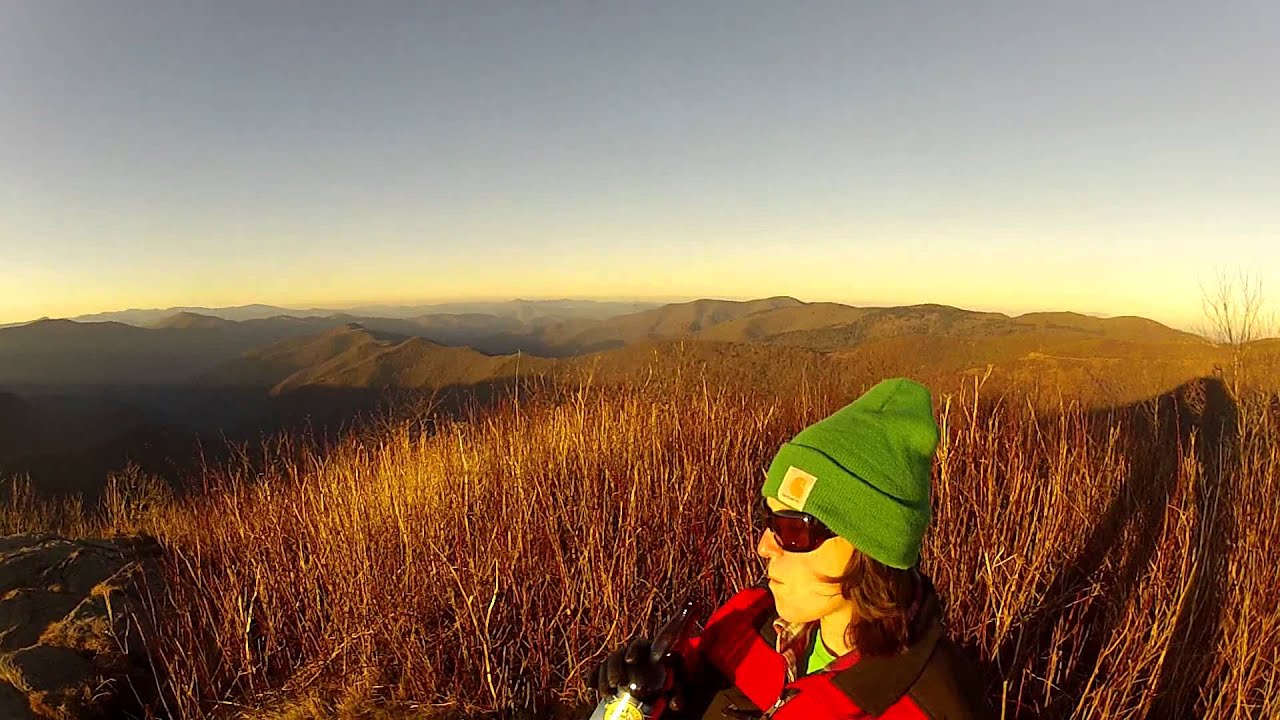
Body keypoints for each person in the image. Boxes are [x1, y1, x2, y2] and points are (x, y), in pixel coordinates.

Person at [596, 378, 994, 719]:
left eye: (793, 529)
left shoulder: (933, 706)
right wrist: (666, 692)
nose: (763, 546)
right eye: (768, 520)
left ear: (869, 546)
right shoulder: (748, 620)